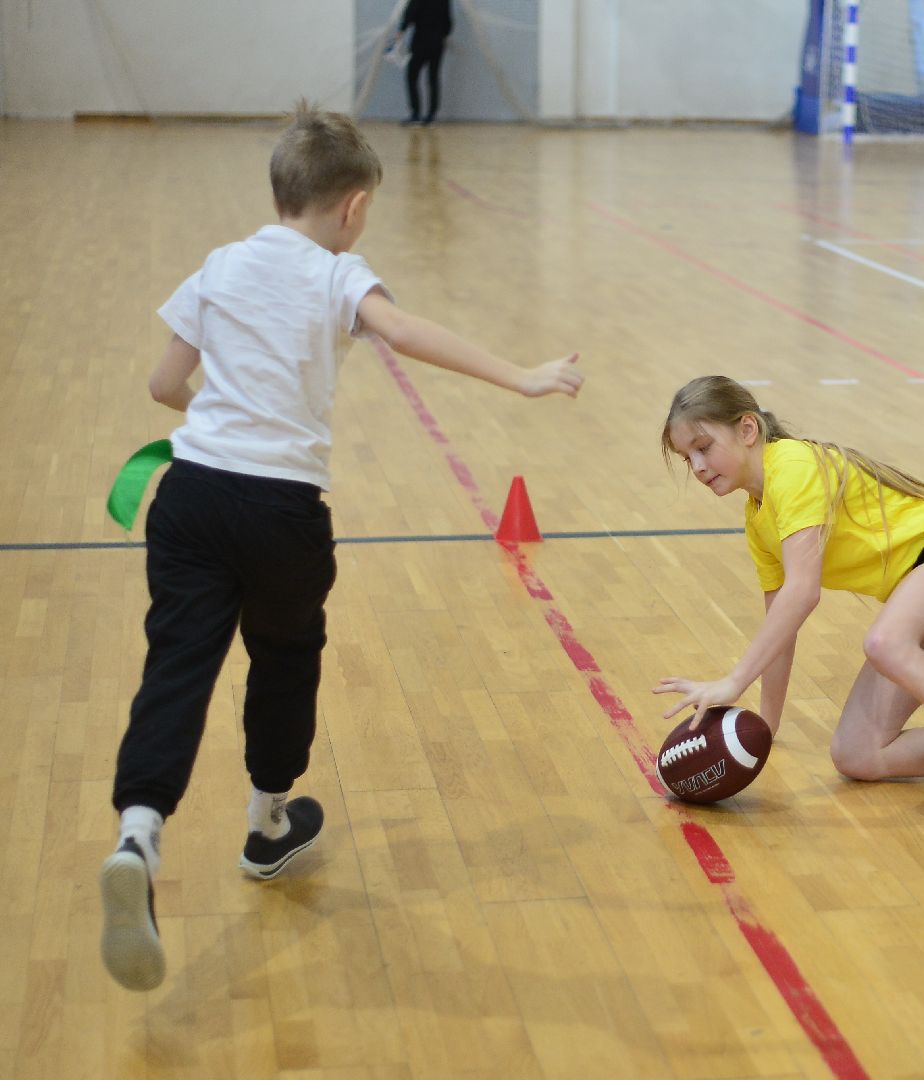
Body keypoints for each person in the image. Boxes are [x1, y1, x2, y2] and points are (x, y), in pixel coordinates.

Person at [99, 101, 584, 992]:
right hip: (281, 510)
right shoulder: (337, 274)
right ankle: (268, 821)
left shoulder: (219, 265)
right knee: (285, 658)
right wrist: (523, 376)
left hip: (193, 495)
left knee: (177, 665)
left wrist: (218, 410)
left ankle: (138, 831)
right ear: (353, 206)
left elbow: (166, 383)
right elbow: (401, 332)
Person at [654, 376, 924, 849]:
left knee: (885, 644)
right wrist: (764, 730)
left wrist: (733, 681)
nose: (696, 466)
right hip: (920, 591)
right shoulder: (757, 516)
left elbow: (803, 593)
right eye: (686, 456)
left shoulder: (790, 466)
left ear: (748, 429)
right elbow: (781, 624)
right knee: (858, 755)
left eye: (703, 447)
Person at [396, 0, 454, 126]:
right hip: (437, 42)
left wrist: (401, 30)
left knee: (412, 76)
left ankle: (416, 113)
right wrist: (442, 35)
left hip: (420, 41)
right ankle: (431, 115)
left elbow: (410, 13)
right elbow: (449, 22)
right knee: (433, 77)